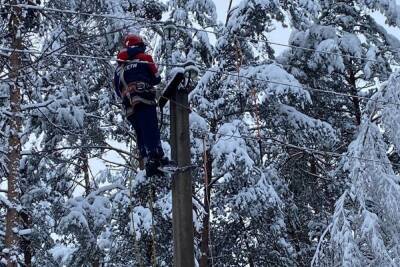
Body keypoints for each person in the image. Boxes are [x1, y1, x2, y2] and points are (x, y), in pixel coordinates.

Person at [114, 34, 169, 177]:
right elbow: (157, 78)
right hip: (144, 98)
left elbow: (117, 90)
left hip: (129, 106)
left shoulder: (119, 67)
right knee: (150, 128)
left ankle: (148, 159)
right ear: (139, 45)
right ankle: (155, 157)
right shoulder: (145, 58)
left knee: (140, 131)